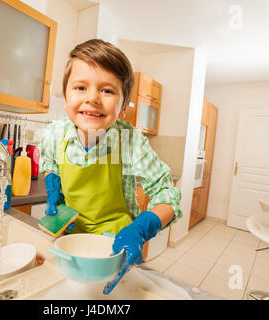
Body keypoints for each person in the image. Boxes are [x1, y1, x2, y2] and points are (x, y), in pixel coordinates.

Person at [38, 39, 182, 295]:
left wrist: (143, 227)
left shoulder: (129, 141)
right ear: (65, 97)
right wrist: (52, 184)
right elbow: (50, 161)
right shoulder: (53, 134)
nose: (92, 98)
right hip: (70, 241)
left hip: (115, 247)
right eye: (80, 87)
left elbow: (168, 195)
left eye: (107, 90)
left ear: (123, 106)